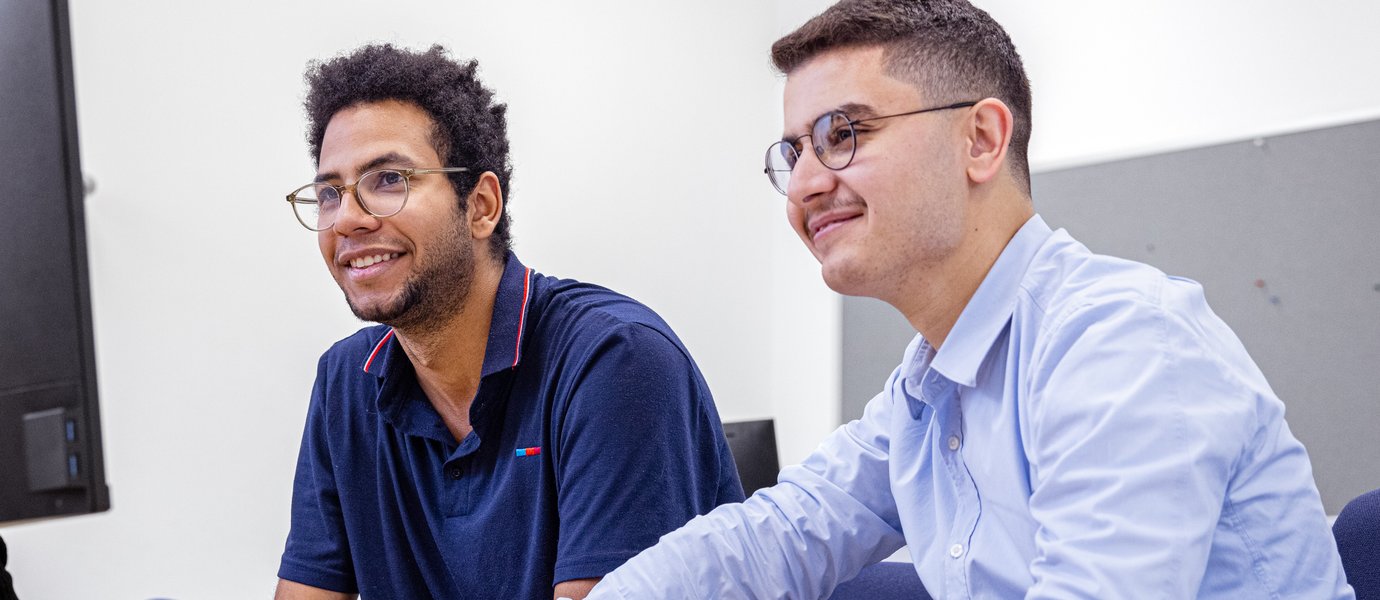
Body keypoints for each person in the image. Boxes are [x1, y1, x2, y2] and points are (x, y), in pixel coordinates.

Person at [588, 1, 1354, 598]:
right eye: (794, 152)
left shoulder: (1122, 345)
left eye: (843, 133)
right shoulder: (927, 389)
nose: (806, 184)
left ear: (982, 140)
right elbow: (776, 536)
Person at [274, 44, 743, 600]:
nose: (347, 219)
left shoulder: (616, 360)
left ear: (481, 206)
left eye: (390, 179)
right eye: (330, 193)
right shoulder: (346, 380)